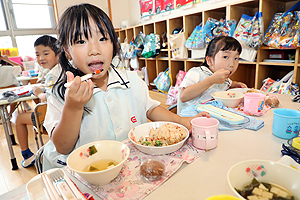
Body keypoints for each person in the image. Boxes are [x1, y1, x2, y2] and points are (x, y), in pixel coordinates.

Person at [42, 3, 210, 171]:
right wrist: (73, 107)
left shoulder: (131, 79)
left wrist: (181, 120)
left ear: (113, 44)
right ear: (67, 50)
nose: (94, 50)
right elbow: (62, 147)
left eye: (103, 39)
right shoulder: (62, 93)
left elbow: (150, 109)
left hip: (135, 166)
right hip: (91, 174)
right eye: (81, 41)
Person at [15, 35, 61, 168]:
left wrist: (39, 93)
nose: (41, 58)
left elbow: (50, 97)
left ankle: (27, 156)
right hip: (58, 116)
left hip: (53, 118)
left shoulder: (53, 74)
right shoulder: (61, 69)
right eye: (37, 54)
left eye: (45, 53)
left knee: (19, 119)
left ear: (57, 52)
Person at [177, 36, 248, 114]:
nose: (232, 64)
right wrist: (211, 80)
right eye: (225, 57)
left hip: (213, 116)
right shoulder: (196, 73)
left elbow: (230, 84)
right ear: (210, 60)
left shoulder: (225, 78)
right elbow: (183, 96)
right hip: (190, 119)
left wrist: (236, 84)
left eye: (236, 58)